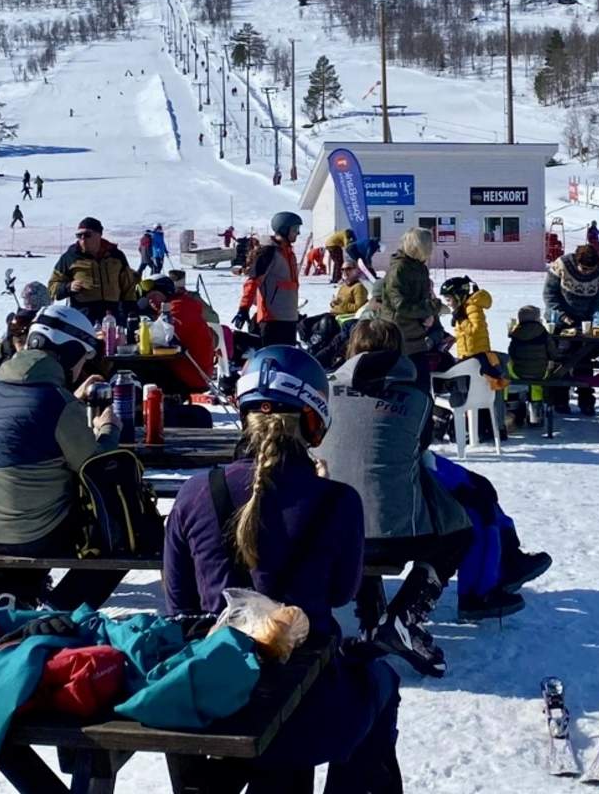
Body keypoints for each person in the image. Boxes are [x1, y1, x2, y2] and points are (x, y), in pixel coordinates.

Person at [164, 345, 404, 792]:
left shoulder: (196, 492)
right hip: (305, 703)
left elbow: (179, 604)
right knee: (381, 680)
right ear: (314, 420)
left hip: (216, 695)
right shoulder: (338, 500)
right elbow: (342, 591)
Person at [317, 321, 472, 660]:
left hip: (330, 533)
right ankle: (404, 614)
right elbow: (419, 448)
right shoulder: (418, 397)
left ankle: (371, 613)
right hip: (397, 536)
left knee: (357, 495)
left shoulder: (323, 391)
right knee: (457, 533)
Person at [0, 300, 120, 607]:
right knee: (121, 530)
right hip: (35, 534)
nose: (80, 369)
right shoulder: (57, 404)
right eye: (82, 359)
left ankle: (17, 591)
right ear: (69, 353)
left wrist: (70, 398)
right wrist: (109, 429)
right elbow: (97, 467)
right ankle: (63, 608)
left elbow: (28, 423)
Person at [543, 242, 599, 415]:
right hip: (560, 320)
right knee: (562, 358)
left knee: (584, 358)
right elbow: (549, 294)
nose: (587, 272)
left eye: (590, 270)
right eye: (584, 269)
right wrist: (561, 315)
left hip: (584, 322)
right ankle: (560, 400)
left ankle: (586, 400)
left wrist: (595, 319)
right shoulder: (561, 265)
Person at [373, 228, 443, 374]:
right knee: (406, 379)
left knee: (422, 380)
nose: (431, 249)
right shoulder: (398, 269)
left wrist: (429, 315)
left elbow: (422, 297)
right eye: (429, 244)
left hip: (416, 334)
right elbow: (401, 305)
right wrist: (431, 308)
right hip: (398, 336)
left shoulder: (420, 268)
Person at [47, 217, 138, 323]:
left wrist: (131, 313)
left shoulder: (116, 256)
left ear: (99, 234)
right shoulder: (70, 257)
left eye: (87, 235)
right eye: (79, 235)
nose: (83, 239)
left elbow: (128, 288)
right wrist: (68, 287)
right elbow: (52, 286)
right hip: (83, 317)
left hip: (113, 316)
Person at [237, 211, 304, 347]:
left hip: (289, 317)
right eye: (295, 229)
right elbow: (253, 281)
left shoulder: (289, 253)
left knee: (287, 356)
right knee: (271, 356)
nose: (298, 233)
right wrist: (244, 308)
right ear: (284, 229)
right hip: (272, 319)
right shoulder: (268, 252)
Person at [506, 306, 555, 430]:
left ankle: (511, 408)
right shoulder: (543, 332)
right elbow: (553, 353)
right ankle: (535, 414)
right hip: (540, 373)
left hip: (518, 372)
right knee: (536, 383)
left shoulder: (516, 333)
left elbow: (511, 353)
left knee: (506, 370)